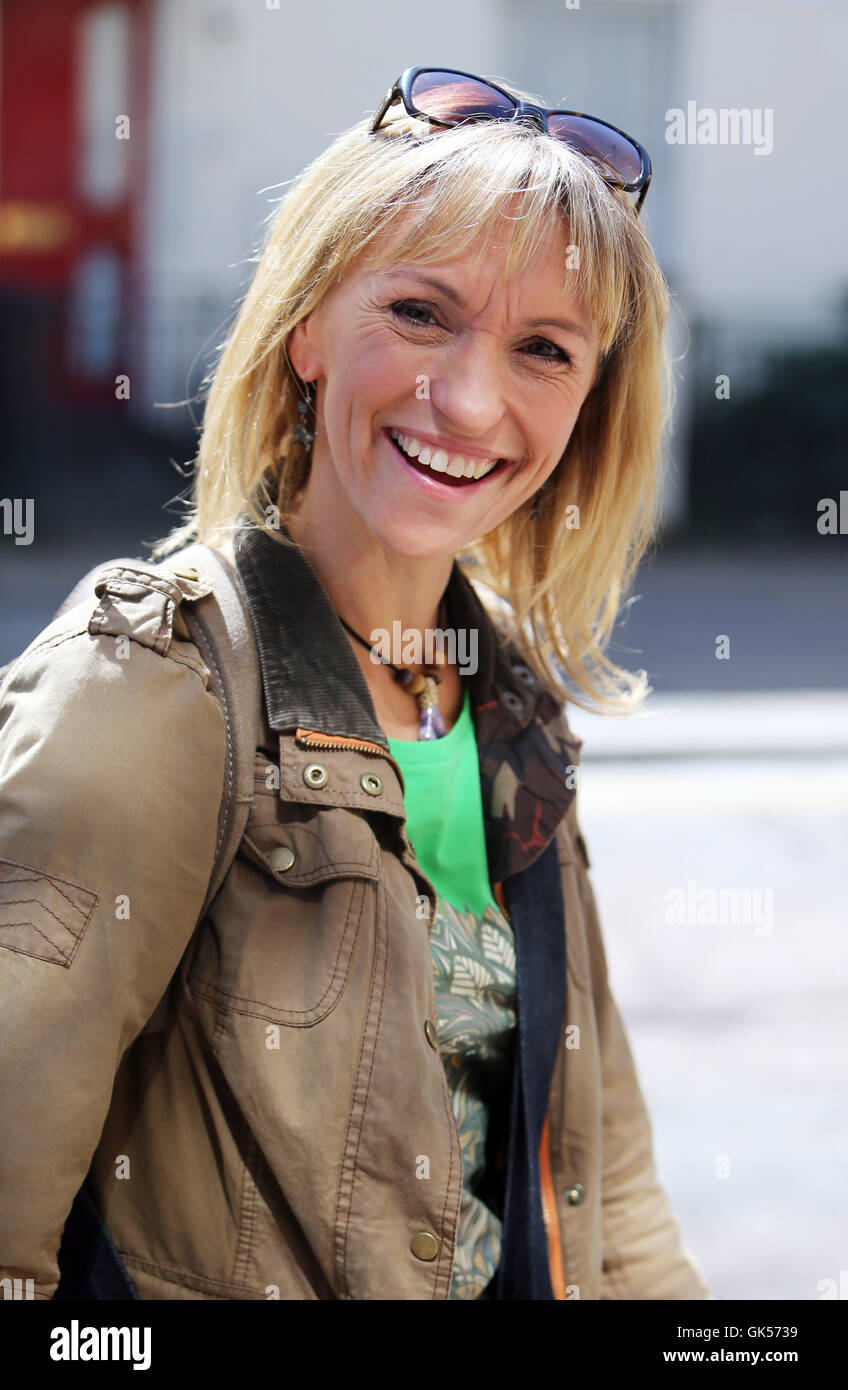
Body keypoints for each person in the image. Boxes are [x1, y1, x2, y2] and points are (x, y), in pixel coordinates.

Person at [0, 66, 710, 1300]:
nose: (473, 400)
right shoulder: (152, 690)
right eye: (422, 314)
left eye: (543, 349)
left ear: (588, 408)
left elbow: (609, 1183)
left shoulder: (508, 710)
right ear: (308, 326)